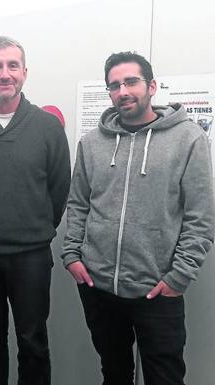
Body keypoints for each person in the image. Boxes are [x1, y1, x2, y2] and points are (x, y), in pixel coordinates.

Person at [61, 51, 215, 385]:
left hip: (157, 290)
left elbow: (200, 216)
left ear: (152, 86)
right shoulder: (91, 143)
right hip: (98, 285)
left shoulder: (189, 139)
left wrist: (179, 276)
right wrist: (72, 254)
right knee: (114, 373)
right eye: (114, 85)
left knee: (165, 377)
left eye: (131, 81)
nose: (123, 91)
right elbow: (78, 203)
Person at [0, 36, 71, 385]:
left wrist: (30, 226)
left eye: (12, 66)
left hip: (30, 256)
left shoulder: (48, 128)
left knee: (32, 341)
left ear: (24, 72)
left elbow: (58, 190)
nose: (4, 74)